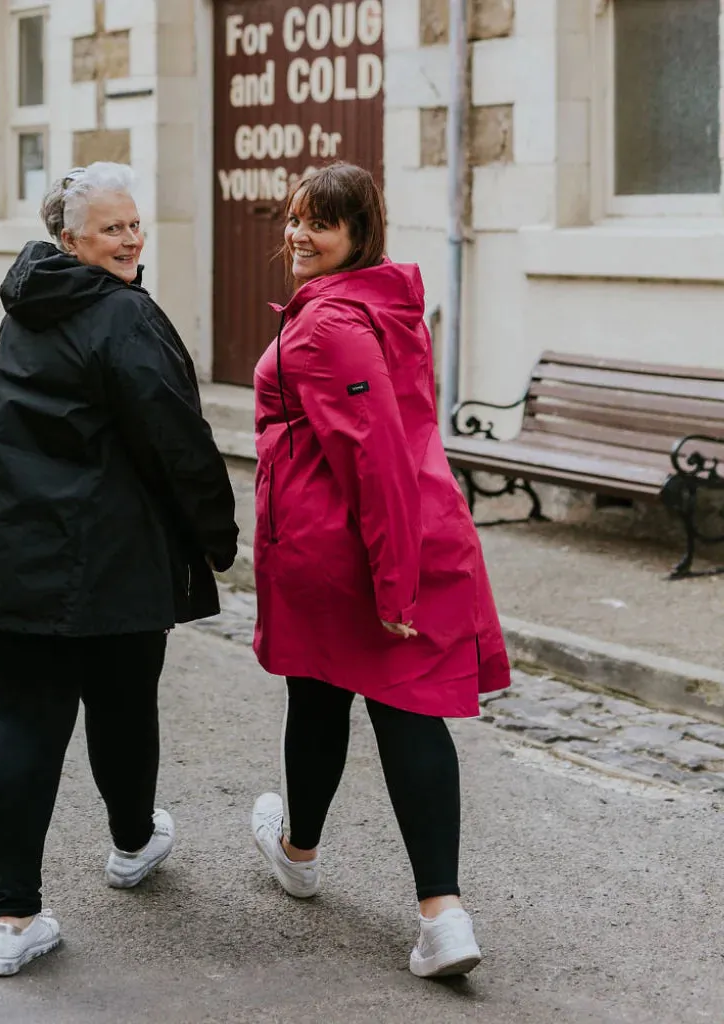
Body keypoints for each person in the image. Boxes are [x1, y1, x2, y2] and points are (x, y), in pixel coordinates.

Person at [0, 162, 238, 977]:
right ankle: (132, 842)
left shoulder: (33, 302)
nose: (132, 239)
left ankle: (15, 917)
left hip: (5, 548)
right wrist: (219, 536)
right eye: (111, 228)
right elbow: (177, 440)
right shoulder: (122, 315)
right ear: (69, 240)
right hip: (104, 556)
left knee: (20, 720)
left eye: (135, 223)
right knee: (118, 703)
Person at [249, 163, 511, 979]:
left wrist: (393, 585)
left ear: (360, 235)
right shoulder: (377, 304)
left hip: (359, 555)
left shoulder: (329, 326)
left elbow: (376, 460)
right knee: (381, 708)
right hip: (394, 539)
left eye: (319, 224)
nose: (298, 235)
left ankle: (319, 861)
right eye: (294, 219)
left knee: (339, 701)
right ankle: (436, 915)